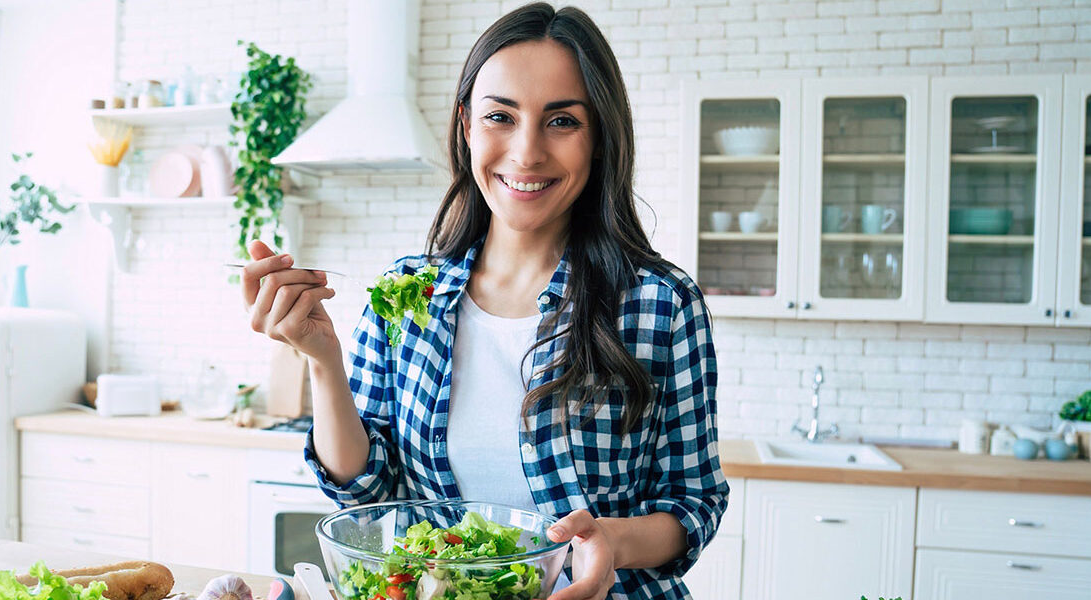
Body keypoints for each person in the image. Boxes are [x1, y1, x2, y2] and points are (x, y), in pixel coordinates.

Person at [241, 3, 728, 599]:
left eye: (562, 122)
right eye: (501, 116)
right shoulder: (408, 296)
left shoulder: (661, 304)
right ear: (467, 125)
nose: (526, 154)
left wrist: (609, 541)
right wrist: (321, 359)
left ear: (599, 137)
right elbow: (366, 491)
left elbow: (692, 500)